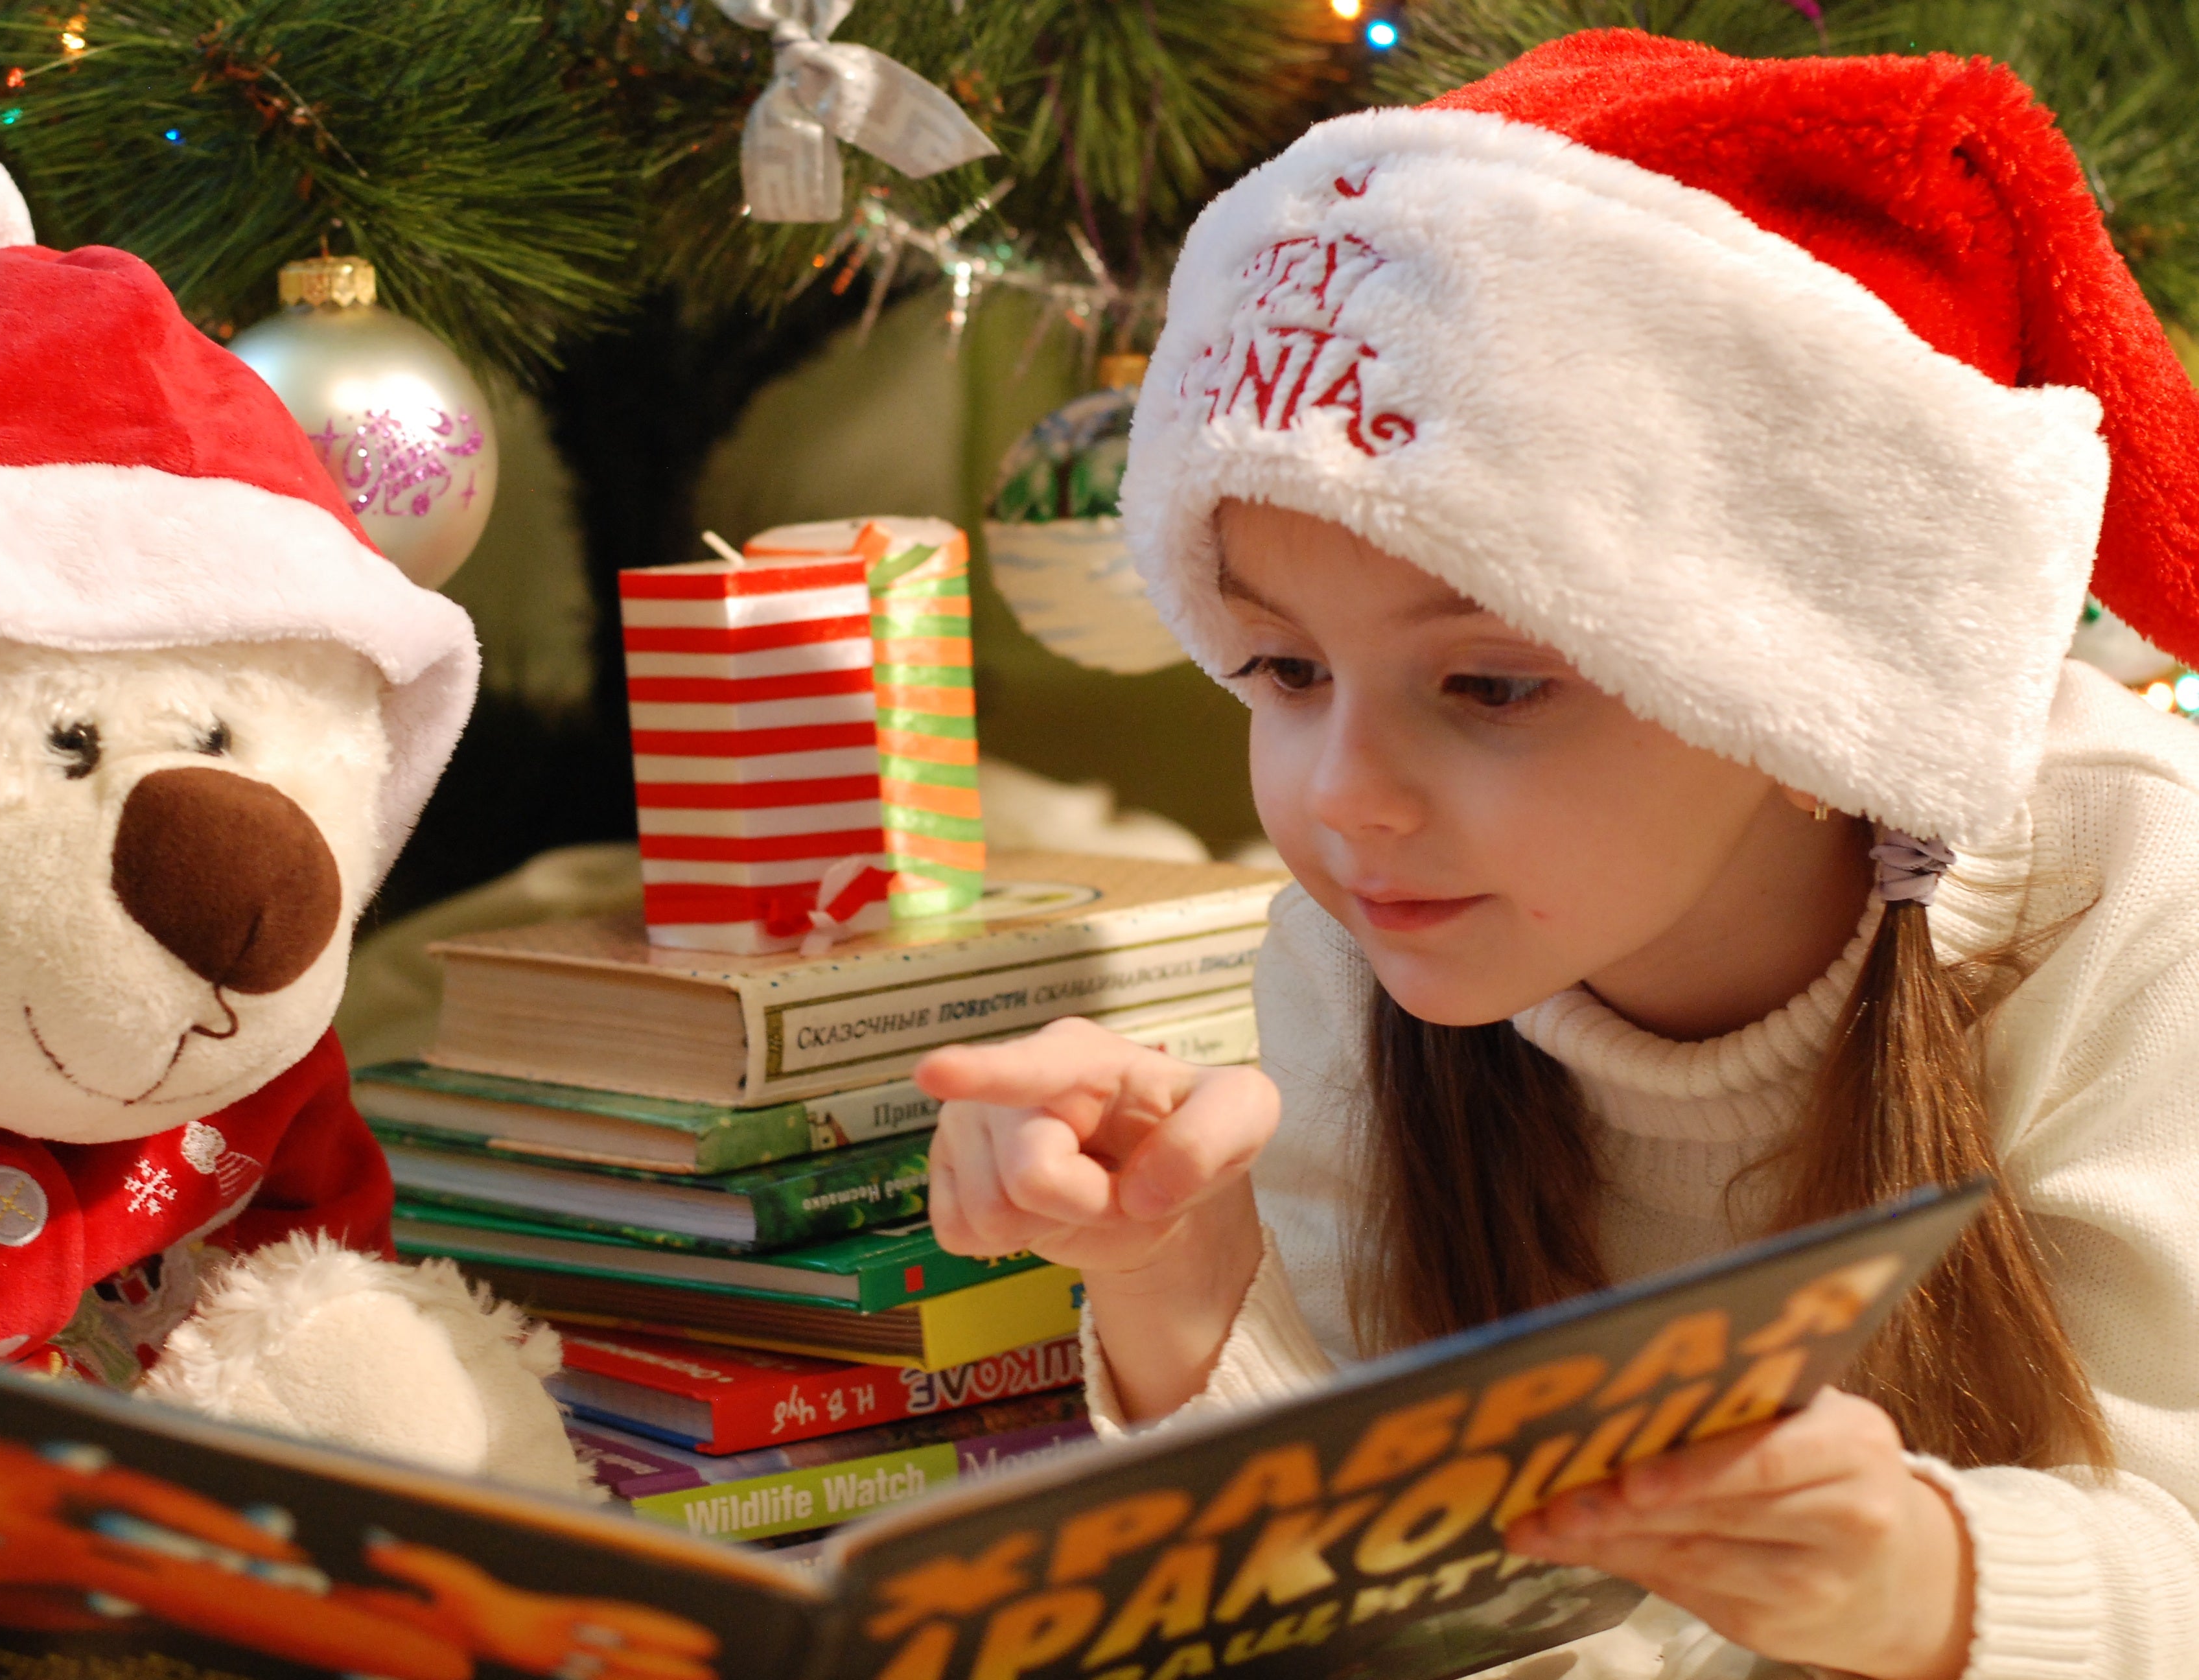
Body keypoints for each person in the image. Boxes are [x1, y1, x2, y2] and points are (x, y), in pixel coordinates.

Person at [917, 32, 2199, 1680]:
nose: (1344, 797)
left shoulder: (2128, 889)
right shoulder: (1371, 936)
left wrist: (1923, 1587)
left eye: (1493, 685)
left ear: (1809, 684)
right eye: (1285, 670)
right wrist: (1184, 1293)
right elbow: (1412, 1612)